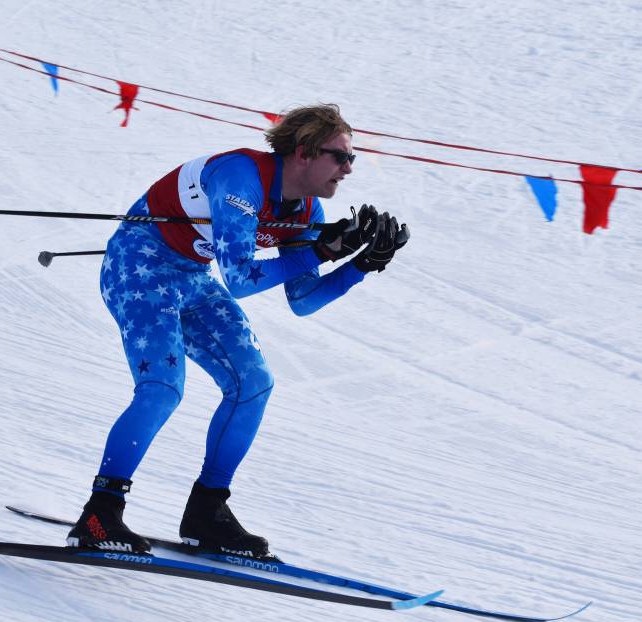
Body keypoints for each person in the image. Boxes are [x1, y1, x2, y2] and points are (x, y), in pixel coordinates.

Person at [66, 104, 409, 558]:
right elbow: (242, 279)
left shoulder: (307, 206)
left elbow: (303, 300)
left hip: (190, 276)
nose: (348, 169)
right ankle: (100, 512)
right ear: (305, 153)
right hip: (139, 266)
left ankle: (208, 512)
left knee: (253, 383)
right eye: (340, 156)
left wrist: (362, 262)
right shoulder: (240, 178)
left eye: (353, 159)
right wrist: (322, 249)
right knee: (162, 388)